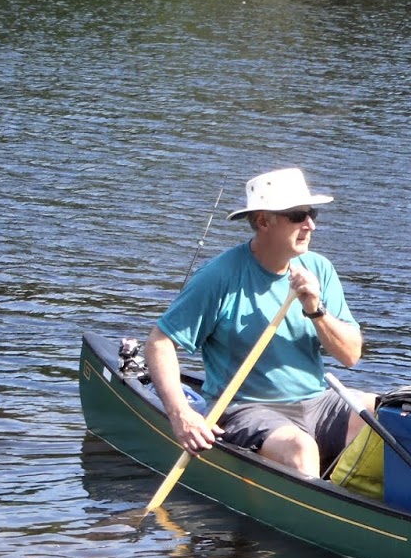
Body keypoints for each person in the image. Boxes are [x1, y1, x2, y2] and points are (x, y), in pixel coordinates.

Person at [144, 167, 375, 479]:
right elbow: (160, 342)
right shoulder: (220, 276)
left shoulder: (320, 269)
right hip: (246, 407)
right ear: (264, 221)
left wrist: (315, 310)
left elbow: (351, 355)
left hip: (317, 401)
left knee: (384, 413)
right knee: (300, 450)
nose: (310, 225)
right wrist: (181, 414)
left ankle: (363, 500)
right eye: (297, 215)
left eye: (312, 214)